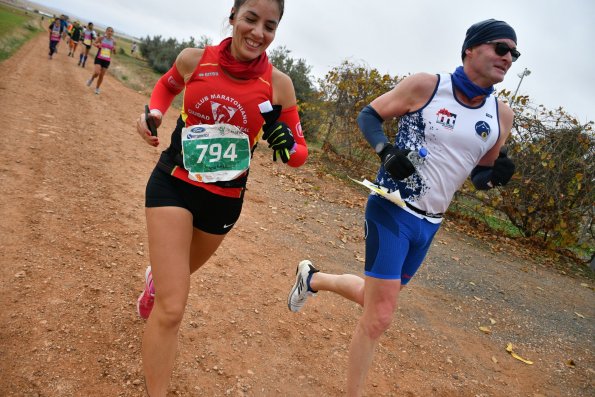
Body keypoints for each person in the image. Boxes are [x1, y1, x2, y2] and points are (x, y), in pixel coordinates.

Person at [287, 19, 518, 396]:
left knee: (373, 297)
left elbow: (480, 175)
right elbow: (369, 115)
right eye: (500, 48)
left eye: (514, 53)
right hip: (392, 208)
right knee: (379, 316)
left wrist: (496, 177)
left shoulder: (500, 114)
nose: (508, 57)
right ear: (471, 49)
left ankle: (312, 279)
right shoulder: (428, 86)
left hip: (430, 224)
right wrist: (385, 151)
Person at [134, 0, 306, 395]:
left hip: (224, 200)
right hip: (173, 183)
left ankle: (154, 283)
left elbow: (298, 154)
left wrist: (287, 144)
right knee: (173, 307)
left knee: (174, 279)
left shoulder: (279, 85)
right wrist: (154, 114)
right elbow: (166, 86)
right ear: (233, 18)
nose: (258, 32)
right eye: (250, 19)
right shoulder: (194, 60)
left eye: (270, 25)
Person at [86, 27, 116, 95]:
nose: (110, 32)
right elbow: (94, 43)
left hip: (107, 60)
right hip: (99, 58)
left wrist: (114, 49)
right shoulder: (101, 38)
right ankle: (91, 79)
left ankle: (97, 88)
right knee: (97, 72)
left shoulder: (113, 41)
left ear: (112, 33)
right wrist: (97, 45)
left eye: (111, 31)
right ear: (106, 31)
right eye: (108, 31)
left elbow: (114, 52)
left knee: (101, 75)